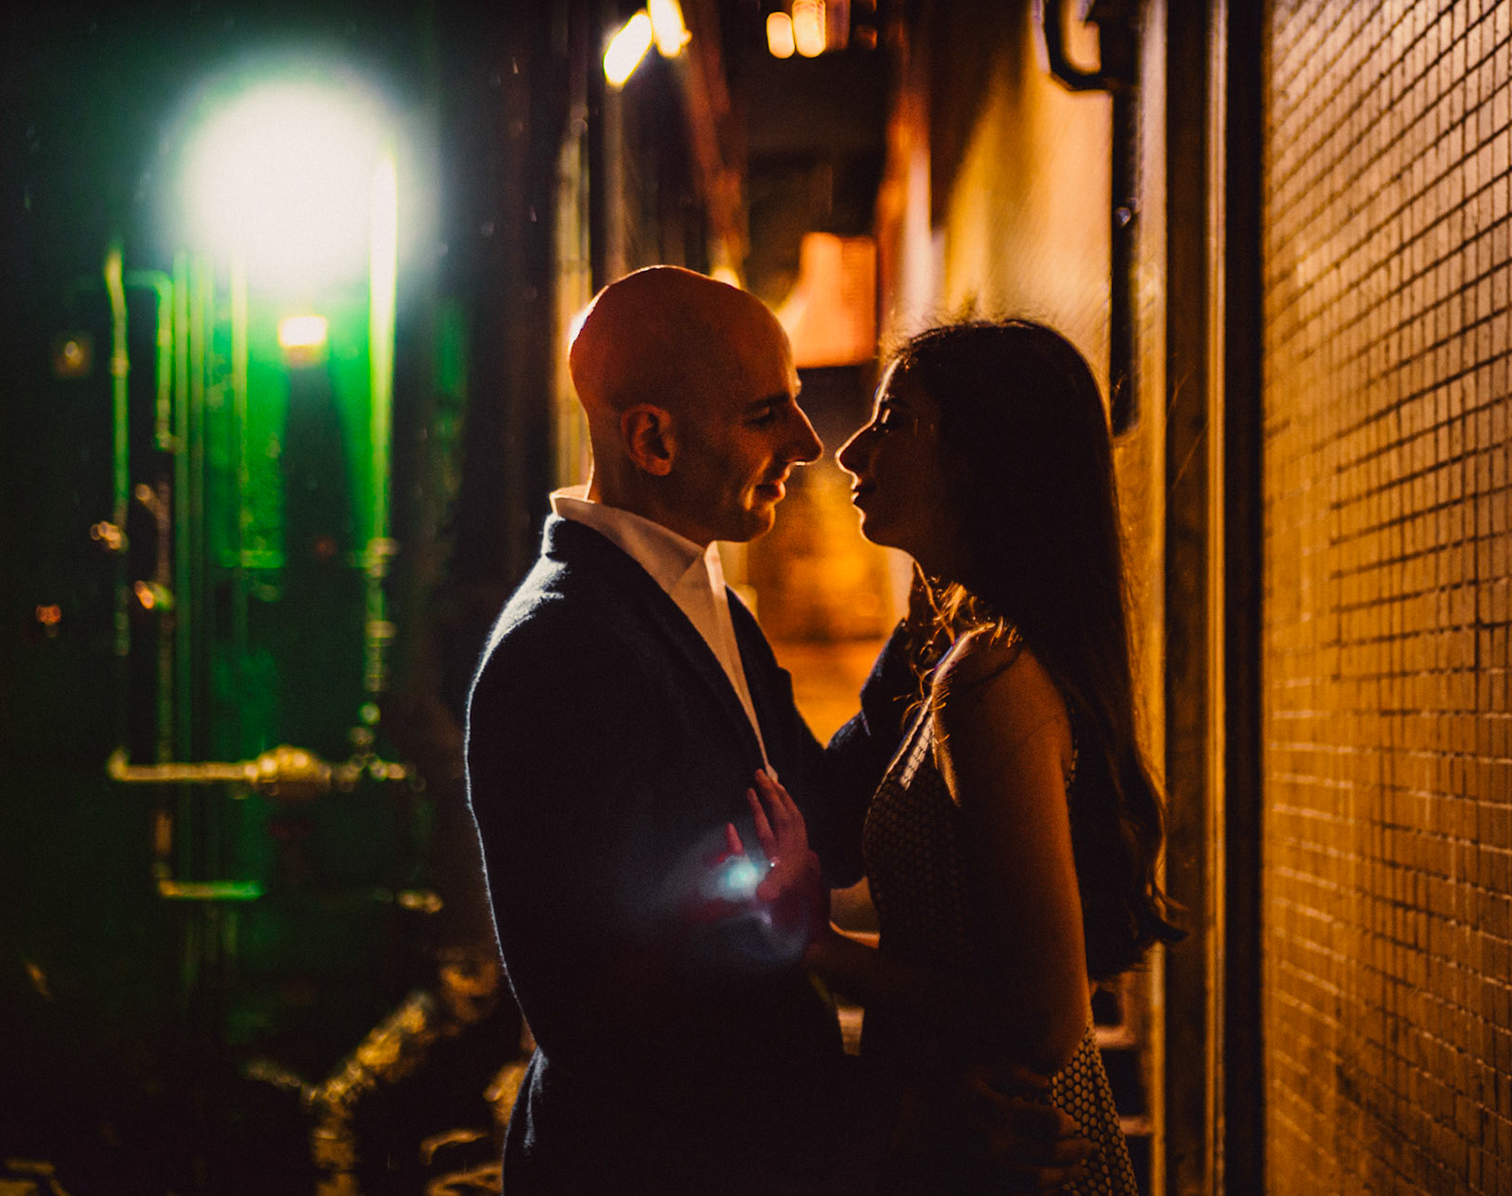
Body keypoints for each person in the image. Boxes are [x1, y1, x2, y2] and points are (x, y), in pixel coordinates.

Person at [464, 271, 1087, 1193]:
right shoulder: (562, 650)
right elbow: (602, 1024)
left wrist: (938, 589)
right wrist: (886, 1128)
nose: (808, 443)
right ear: (653, 439)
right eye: (769, 413)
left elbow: (819, 827)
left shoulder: (698, 594)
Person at [752, 321, 1184, 1194]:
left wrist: (825, 947)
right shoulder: (957, 655)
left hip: (1009, 1144)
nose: (849, 450)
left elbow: (1046, 1017)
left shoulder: (992, 678)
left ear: (986, 461)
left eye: (896, 418)